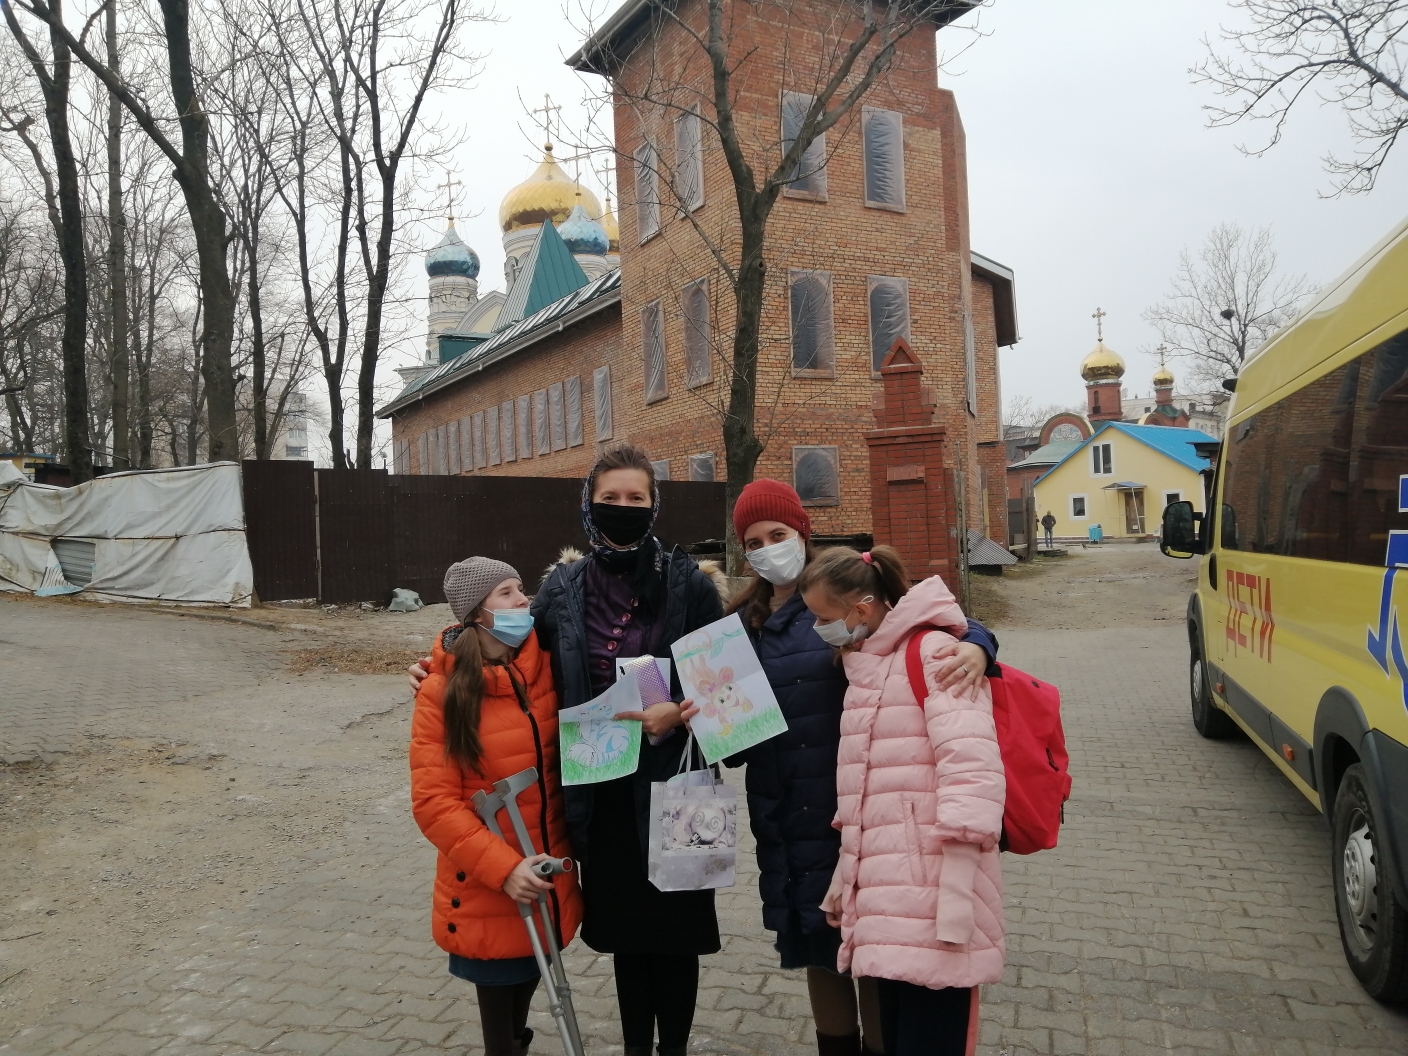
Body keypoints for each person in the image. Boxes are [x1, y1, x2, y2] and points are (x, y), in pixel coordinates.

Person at [704, 480, 999, 1056]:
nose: (767, 549)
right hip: (784, 809)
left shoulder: (842, 597)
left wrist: (981, 645)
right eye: (754, 542)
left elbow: (927, 623)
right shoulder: (741, 626)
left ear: (802, 531)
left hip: (858, 810)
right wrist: (705, 719)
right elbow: (735, 739)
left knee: (873, 953)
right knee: (817, 953)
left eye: (777, 534)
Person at [799, 546, 1005, 1056]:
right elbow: (863, 793)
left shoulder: (934, 654)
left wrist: (957, 893)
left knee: (933, 1035)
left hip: (937, 892)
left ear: (861, 609)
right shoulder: (866, 667)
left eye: (824, 618)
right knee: (896, 1036)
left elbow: (973, 770)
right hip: (890, 894)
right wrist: (846, 880)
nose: (818, 629)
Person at [409, 557, 584, 1056]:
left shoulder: (543, 667)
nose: (522, 600)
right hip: (491, 881)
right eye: (506, 593)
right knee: (499, 1012)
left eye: (520, 587)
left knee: (529, 983)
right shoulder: (443, 691)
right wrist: (504, 869)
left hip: (544, 869)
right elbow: (434, 802)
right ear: (477, 614)